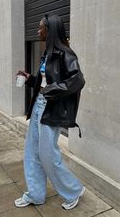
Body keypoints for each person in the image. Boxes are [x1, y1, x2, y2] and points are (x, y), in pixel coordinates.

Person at [14, 14, 85, 210]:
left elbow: (77, 81)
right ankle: (35, 194)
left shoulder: (66, 54)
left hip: (50, 108)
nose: (38, 31)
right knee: (32, 153)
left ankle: (73, 190)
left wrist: (51, 91)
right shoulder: (47, 54)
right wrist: (30, 79)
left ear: (50, 30)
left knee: (47, 155)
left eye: (40, 28)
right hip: (39, 105)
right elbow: (46, 82)